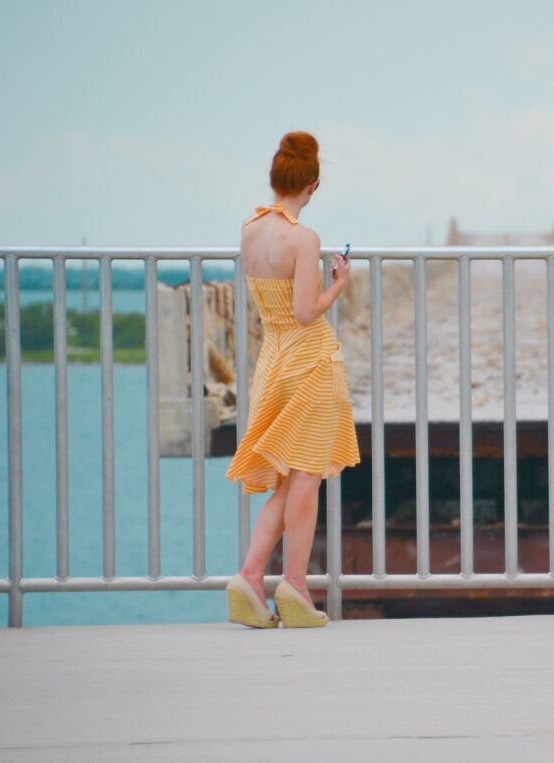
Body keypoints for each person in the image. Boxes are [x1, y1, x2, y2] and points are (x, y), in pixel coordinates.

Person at [224, 131, 360, 629]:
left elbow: (279, 310)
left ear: (275, 178)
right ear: (313, 185)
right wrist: (338, 285)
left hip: (272, 361)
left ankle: (251, 574)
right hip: (309, 361)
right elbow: (306, 312)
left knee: (286, 478)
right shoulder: (304, 239)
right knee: (307, 475)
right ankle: (296, 585)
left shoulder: (251, 228)